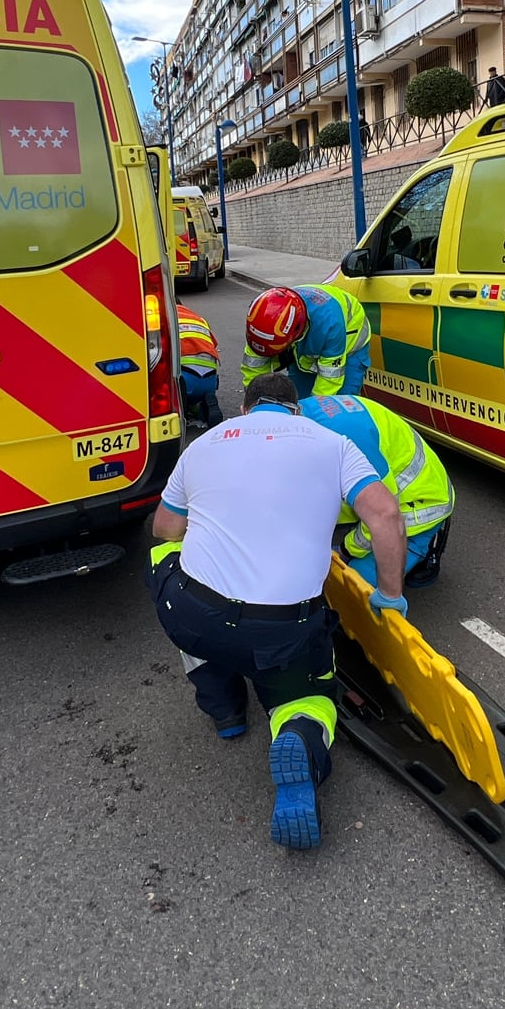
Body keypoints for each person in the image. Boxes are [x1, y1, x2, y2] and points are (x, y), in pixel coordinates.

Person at [147, 372, 408, 851]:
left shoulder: (203, 445)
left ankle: (224, 708)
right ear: (295, 411)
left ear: (245, 410)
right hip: (280, 631)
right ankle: (298, 736)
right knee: (309, 697)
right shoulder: (333, 445)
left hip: (193, 614)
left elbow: (165, 527)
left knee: (166, 558)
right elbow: (386, 515)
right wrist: (389, 595)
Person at [299, 393, 452, 587]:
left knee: (353, 584)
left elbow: (384, 512)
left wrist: (347, 550)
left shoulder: (349, 440)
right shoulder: (302, 412)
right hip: (392, 486)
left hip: (419, 505)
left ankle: (422, 549)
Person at [241, 283, 371, 399]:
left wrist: (314, 416)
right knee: (297, 400)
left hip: (349, 345)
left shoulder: (330, 325)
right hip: (307, 341)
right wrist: (255, 404)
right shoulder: (261, 325)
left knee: (339, 406)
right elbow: (254, 368)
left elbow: (329, 380)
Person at [176, 303, 223, 429]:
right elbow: (213, 344)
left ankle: (182, 409)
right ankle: (206, 398)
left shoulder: (163, 317)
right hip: (210, 379)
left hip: (184, 380)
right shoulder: (198, 318)